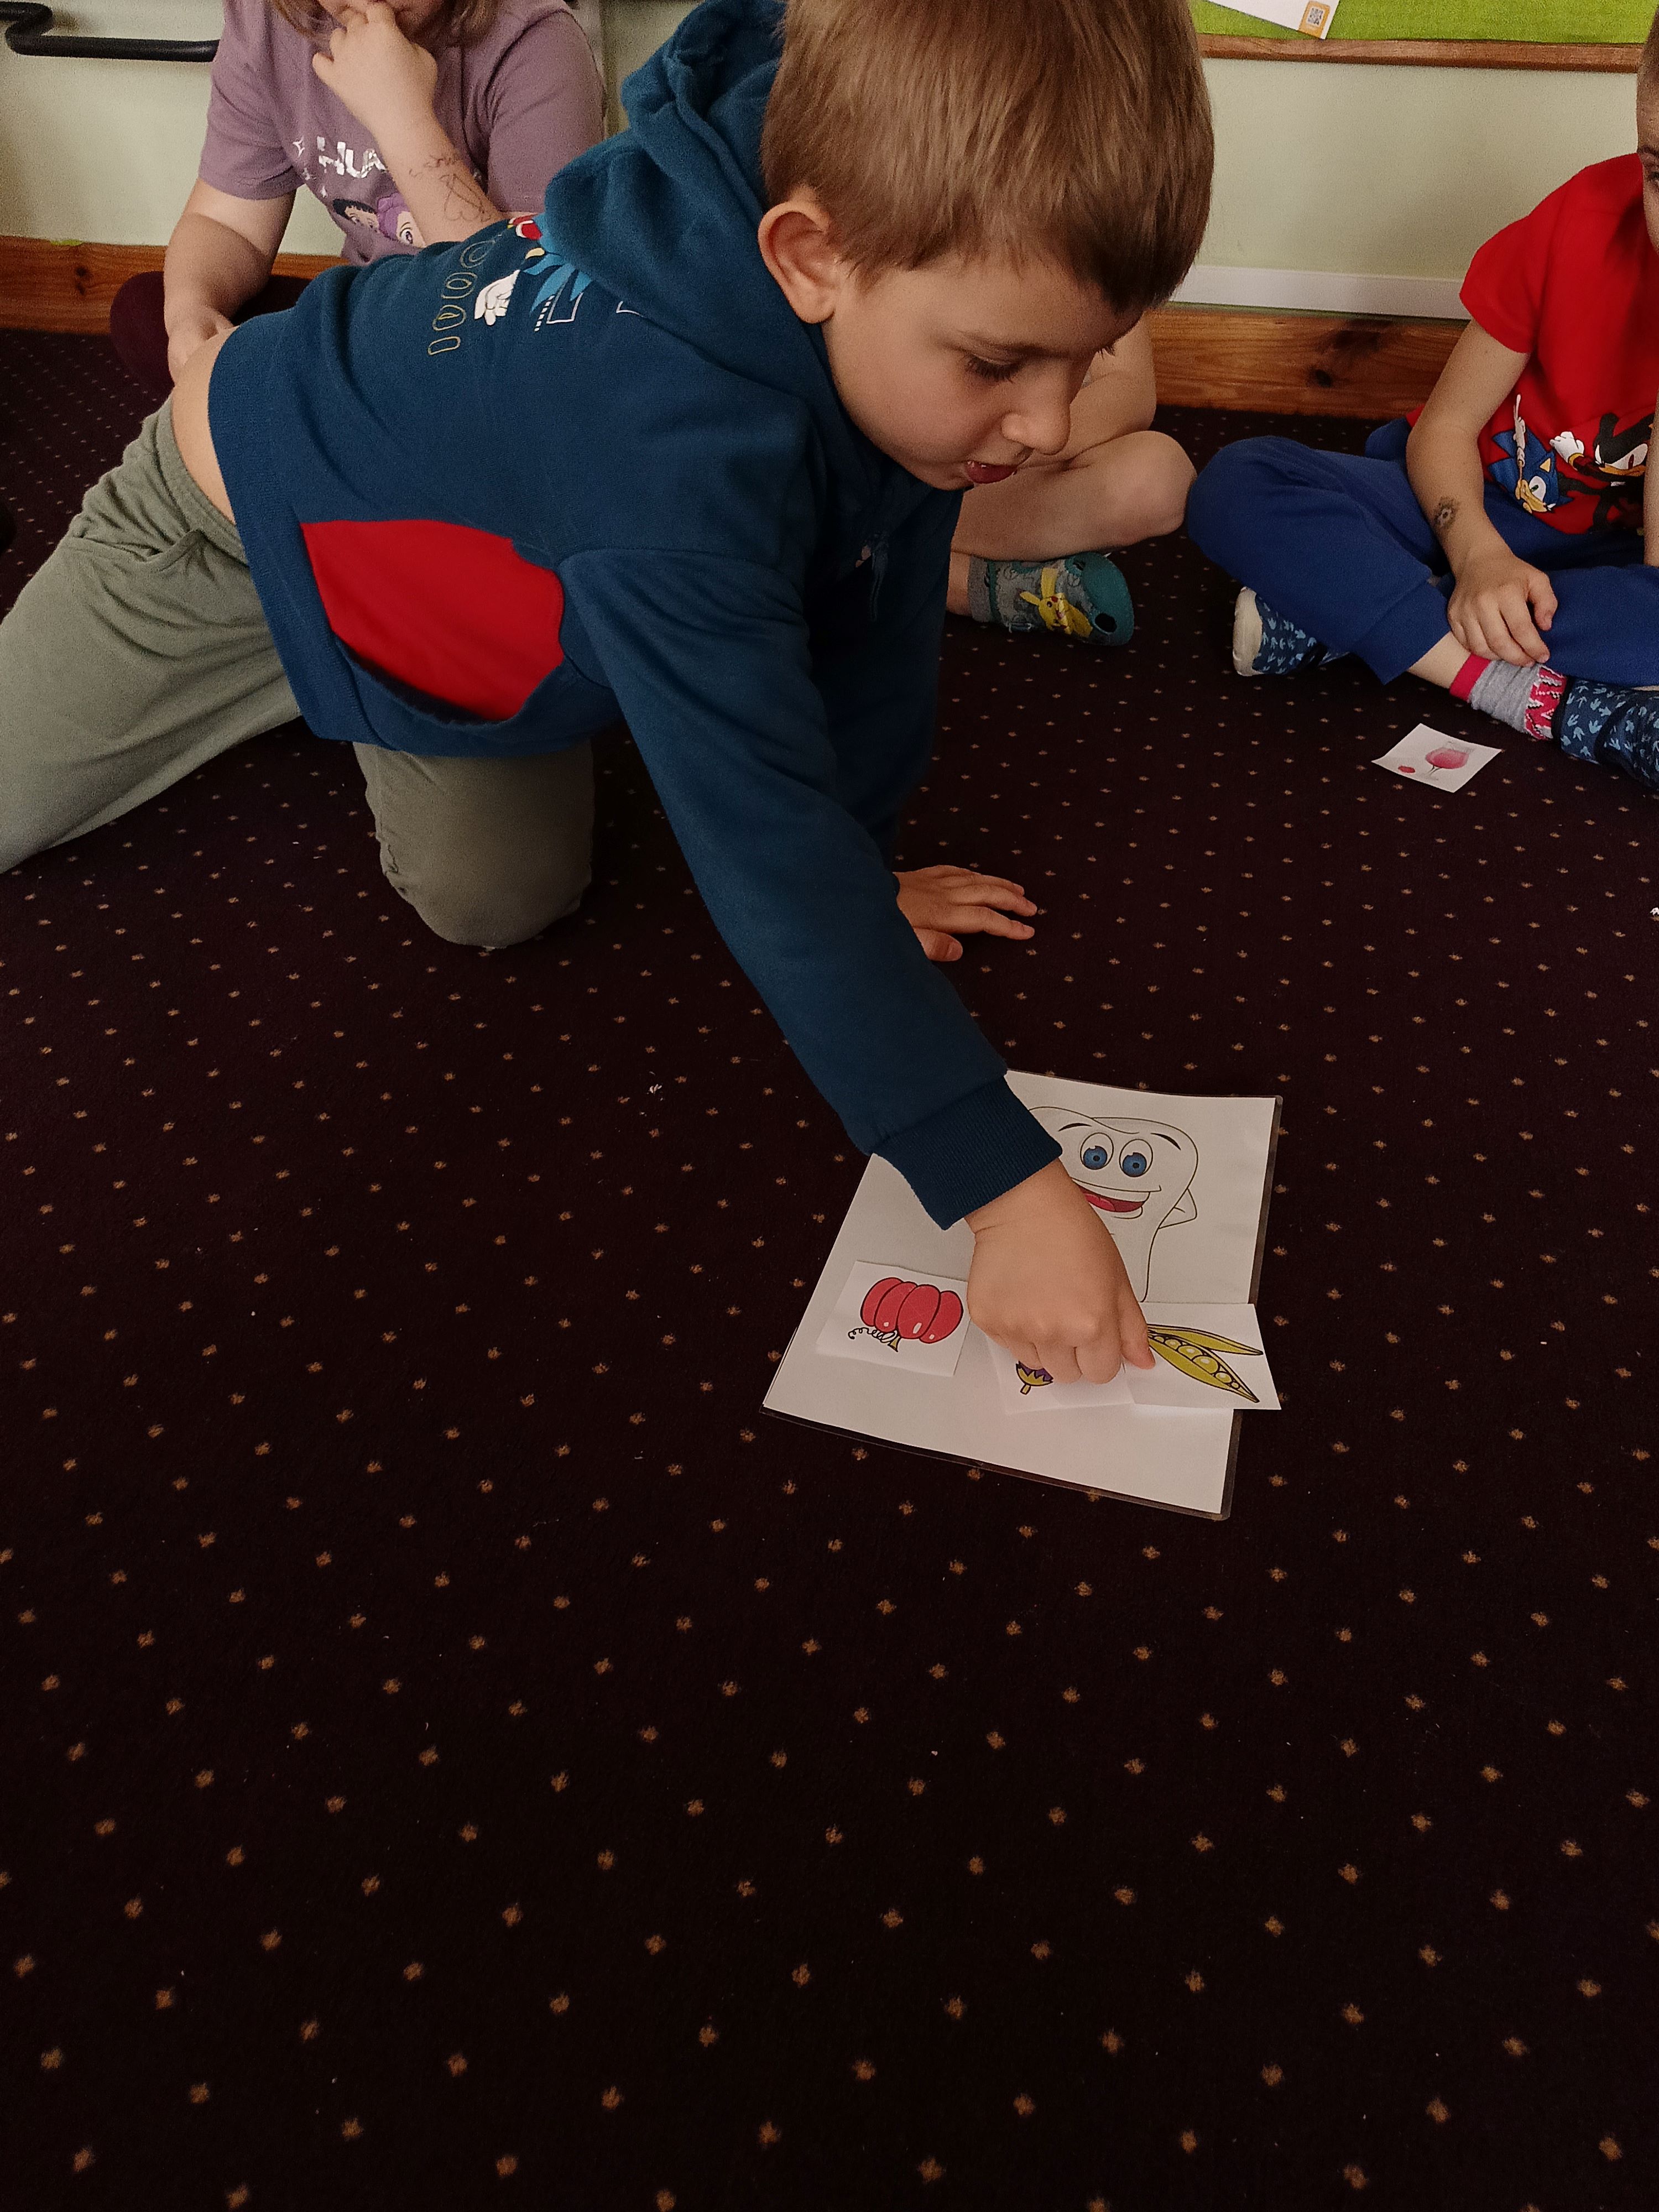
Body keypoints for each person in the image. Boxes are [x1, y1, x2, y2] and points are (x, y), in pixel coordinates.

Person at [0, 0, 1213, 1390]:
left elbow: (871, 616)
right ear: (808, 257)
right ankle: (274, 668)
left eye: (1089, 355)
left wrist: (868, 862)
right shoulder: (673, 461)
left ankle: (353, 676)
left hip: (449, 579)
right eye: (999, 364)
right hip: (229, 517)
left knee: (498, 897)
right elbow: (765, 847)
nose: (1049, 425)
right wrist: (1000, 1187)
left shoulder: (876, 225)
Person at [1186, 5, 1659, 796]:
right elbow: (1445, 427)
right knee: (1237, 481)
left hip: (1611, 560)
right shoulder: (1579, 220)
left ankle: (1357, 611)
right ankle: (1527, 695)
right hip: (1473, 503)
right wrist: (1477, 555)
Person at [109, 0, 603, 404]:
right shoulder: (266, 22)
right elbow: (229, 225)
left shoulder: (539, 43)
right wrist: (192, 311)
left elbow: (519, 304)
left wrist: (401, 118)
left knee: (535, 395)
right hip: (371, 315)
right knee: (150, 312)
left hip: (481, 339)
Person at [949, 320, 1193, 645]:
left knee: (1159, 477)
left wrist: (1018, 446)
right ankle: (984, 587)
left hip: (1021, 473)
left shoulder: (1106, 287)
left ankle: (928, 563)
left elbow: (1130, 390)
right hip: (931, 468)